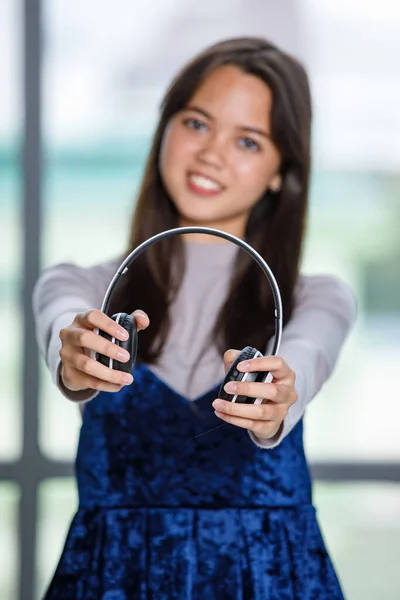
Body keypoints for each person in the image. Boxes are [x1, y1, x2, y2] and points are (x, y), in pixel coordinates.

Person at [33, 37, 357, 599]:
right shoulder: (80, 286)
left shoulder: (315, 300)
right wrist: (78, 357)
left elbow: (304, 363)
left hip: (271, 577)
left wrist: (280, 397)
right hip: (112, 577)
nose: (212, 154)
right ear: (165, 128)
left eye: (248, 141)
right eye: (197, 124)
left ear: (283, 171)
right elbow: (65, 331)